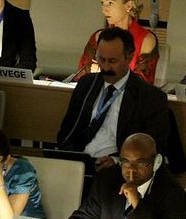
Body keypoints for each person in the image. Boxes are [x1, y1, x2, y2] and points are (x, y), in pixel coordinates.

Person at [57, 27, 169, 158]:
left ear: (129, 57)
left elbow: (153, 148)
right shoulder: (86, 84)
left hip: (118, 164)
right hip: (79, 158)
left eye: (112, 61)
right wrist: (70, 156)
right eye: (101, 59)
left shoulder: (150, 97)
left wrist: (117, 161)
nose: (105, 67)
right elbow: (66, 132)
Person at [65, 133, 186, 219]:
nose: (131, 170)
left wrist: (137, 204)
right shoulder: (107, 181)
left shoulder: (172, 192)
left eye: (141, 163)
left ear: (156, 162)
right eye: (126, 162)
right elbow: (85, 218)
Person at [73, 0, 160, 85]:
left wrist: (102, 72)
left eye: (110, 3)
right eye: (102, 3)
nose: (104, 9)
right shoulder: (98, 36)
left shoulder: (146, 40)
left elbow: (141, 86)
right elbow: (81, 78)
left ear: (128, 5)